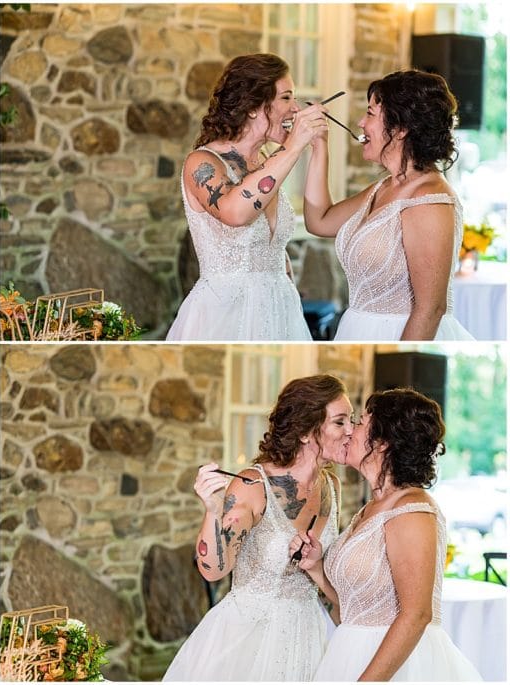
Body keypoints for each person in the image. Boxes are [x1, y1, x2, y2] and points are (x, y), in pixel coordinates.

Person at [163, 375, 352, 681]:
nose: (351, 431)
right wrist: (213, 510)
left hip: (310, 637)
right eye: (340, 422)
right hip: (246, 639)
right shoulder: (252, 485)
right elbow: (212, 571)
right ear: (305, 431)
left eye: (352, 420)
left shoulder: (331, 486)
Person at [290, 388, 481, 681]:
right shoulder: (371, 508)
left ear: (382, 443)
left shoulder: (413, 511)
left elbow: (417, 615)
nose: (350, 431)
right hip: (348, 655)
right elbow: (353, 608)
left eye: (361, 422)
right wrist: (316, 568)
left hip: (398, 668)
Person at [302, 70, 473, 341]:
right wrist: (319, 145)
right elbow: (319, 220)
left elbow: (431, 309)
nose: (360, 122)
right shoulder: (385, 187)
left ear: (401, 128)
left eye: (370, 113)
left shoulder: (430, 202)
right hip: (356, 329)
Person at [166, 53, 327, 341]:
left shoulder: (264, 161)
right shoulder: (202, 162)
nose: (295, 109)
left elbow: (279, 245)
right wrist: (292, 149)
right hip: (224, 314)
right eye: (287, 98)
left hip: (280, 309)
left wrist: (318, 148)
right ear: (253, 107)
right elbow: (236, 213)